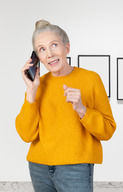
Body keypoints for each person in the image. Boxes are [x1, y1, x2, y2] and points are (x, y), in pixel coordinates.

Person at [15, 20, 116, 192]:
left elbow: (107, 130)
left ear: (66, 48)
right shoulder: (38, 85)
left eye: (54, 45)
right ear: (37, 57)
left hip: (75, 168)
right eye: (42, 49)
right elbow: (26, 134)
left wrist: (82, 110)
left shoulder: (91, 79)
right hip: (39, 167)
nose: (49, 54)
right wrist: (31, 91)